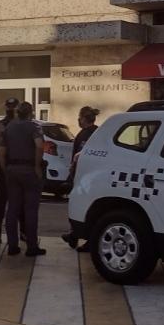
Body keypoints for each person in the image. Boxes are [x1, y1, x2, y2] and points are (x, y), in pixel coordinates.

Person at [0, 101, 46, 257]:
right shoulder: (34, 127)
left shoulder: (9, 128)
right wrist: (37, 166)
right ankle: (32, 246)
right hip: (29, 170)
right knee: (30, 209)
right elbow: (39, 145)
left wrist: (6, 169)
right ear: (31, 113)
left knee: (12, 208)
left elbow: (1, 153)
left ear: (18, 113)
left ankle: (12, 245)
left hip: (12, 170)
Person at [62, 107, 101, 252]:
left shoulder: (84, 134)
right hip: (93, 175)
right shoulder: (98, 132)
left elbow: (79, 156)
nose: (78, 119)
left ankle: (77, 235)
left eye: (79, 117)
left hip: (83, 176)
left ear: (84, 118)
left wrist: (71, 175)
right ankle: (74, 235)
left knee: (80, 207)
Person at [0, 98, 19, 246]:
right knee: (2, 203)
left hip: (8, 168)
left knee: (4, 203)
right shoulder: (1, 125)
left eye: (11, 107)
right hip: (7, 169)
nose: (10, 110)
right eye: (10, 107)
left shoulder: (2, 125)